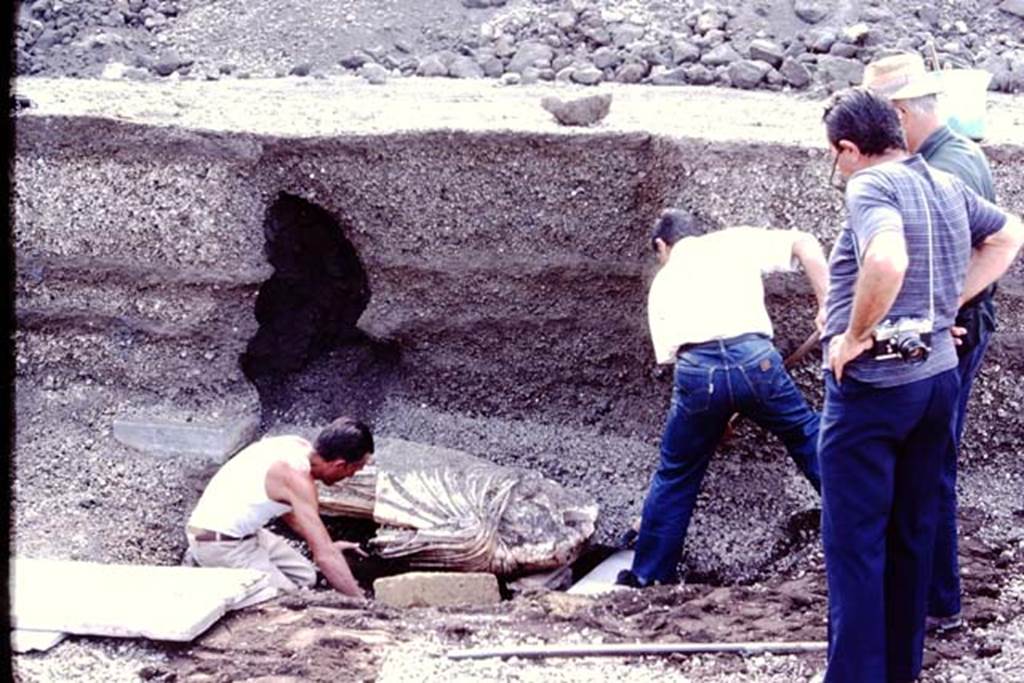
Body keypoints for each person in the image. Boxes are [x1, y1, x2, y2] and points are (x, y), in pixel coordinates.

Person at [818, 88, 1022, 682]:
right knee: (911, 534)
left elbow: (886, 261)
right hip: (935, 382)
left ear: (851, 148)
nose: (839, 167)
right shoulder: (942, 182)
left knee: (855, 546)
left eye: (836, 155)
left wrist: (856, 333)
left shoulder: (870, 186)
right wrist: (942, 309)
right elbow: (1010, 234)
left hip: (876, 389)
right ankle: (900, 671)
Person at [616, 209, 829, 588]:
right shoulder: (733, 241)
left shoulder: (663, 283)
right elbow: (805, 242)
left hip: (698, 375)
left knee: (677, 472)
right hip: (757, 361)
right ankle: (867, 521)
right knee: (804, 433)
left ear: (663, 246)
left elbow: (679, 361)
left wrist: (715, 416)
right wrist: (829, 304)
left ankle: (648, 576)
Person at [863, 52, 998, 633]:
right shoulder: (945, 158)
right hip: (951, 326)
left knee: (931, 466)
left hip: (954, 331)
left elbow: (986, 244)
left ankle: (937, 602)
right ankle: (931, 596)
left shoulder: (951, 168)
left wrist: (946, 310)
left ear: (897, 112)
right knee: (928, 463)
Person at [185, 416, 374, 605]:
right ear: (340, 464)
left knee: (307, 577)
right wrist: (360, 601)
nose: (351, 476)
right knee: (291, 598)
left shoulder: (296, 446)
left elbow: (288, 512)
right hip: (216, 543)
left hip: (246, 532)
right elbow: (323, 556)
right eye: (355, 469)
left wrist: (329, 546)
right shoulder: (296, 478)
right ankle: (204, 570)